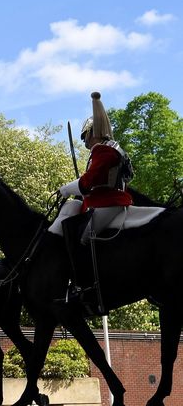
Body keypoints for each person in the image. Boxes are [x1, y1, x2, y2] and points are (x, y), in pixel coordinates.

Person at [58, 92, 134, 310]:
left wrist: (66, 189)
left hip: (107, 203)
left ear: (93, 133)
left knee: (79, 236)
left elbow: (87, 183)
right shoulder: (111, 149)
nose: (85, 141)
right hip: (105, 200)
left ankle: (84, 286)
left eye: (85, 137)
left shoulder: (104, 150)